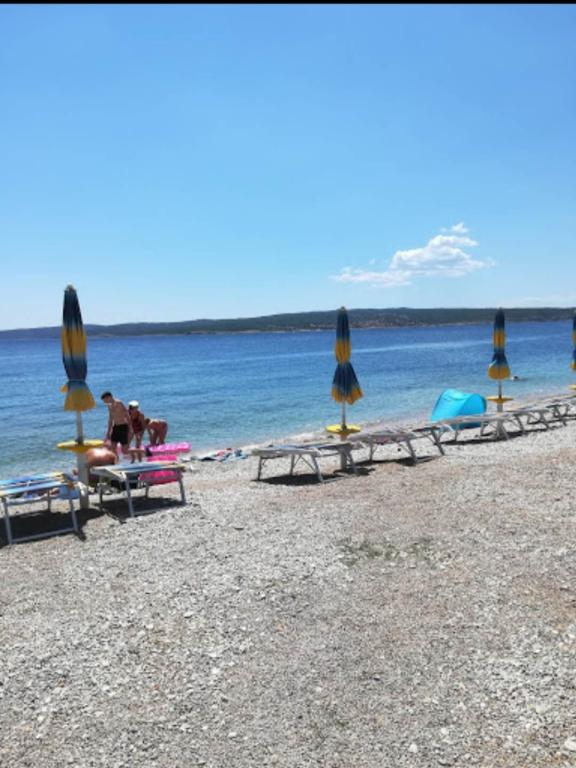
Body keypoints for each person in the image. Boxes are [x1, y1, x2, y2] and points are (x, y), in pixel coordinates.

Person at [101, 391, 131, 456]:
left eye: (105, 400)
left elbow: (127, 415)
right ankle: (116, 461)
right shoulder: (109, 406)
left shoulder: (119, 403)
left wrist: (130, 429)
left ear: (109, 397)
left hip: (123, 427)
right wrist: (108, 433)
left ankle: (141, 452)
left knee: (125, 451)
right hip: (115, 428)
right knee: (113, 448)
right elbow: (110, 420)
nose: (104, 402)